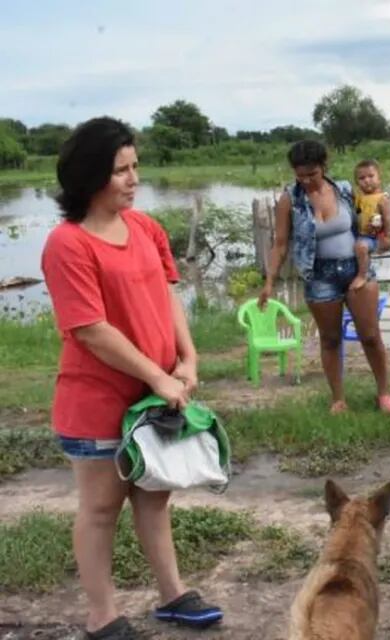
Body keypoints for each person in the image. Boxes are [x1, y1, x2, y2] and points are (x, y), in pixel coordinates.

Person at [40, 117, 222, 640]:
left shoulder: (145, 228)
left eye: (135, 166)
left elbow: (168, 296)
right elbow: (91, 330)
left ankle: (172, 595)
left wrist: (187, 360)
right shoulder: (68, 244)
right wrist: (158, 378)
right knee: (101, 509)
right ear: (90, 176)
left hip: (156, 396)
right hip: (97, 401)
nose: (132, 178)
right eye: (120, 170)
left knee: (154, 496)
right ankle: (102, 617)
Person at [259, 140, 390, 415]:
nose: (307, 180)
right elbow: (280, 243)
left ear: (324, 167)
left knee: (370, 335)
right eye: (301, 175)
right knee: (330, 339)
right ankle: (338, 399)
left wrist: (382, 235)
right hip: (319, 276)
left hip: (355, 270)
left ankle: (384, 393)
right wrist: (269, 282)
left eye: (313, 173)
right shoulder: (290, 199)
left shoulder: (345, 190)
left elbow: (370, 219)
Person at [351, 159, 390, 292]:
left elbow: (388, 219)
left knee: (361, 247)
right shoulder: (359, 198)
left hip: (373, 237)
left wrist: (387, 237)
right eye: (362, 178)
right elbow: (356, 213)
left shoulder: (382, 198)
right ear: (357, 182)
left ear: (379, 179)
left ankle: (362, 276)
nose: (367, 180)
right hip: (360, 234)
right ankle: (366, 276)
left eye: (371, 176)